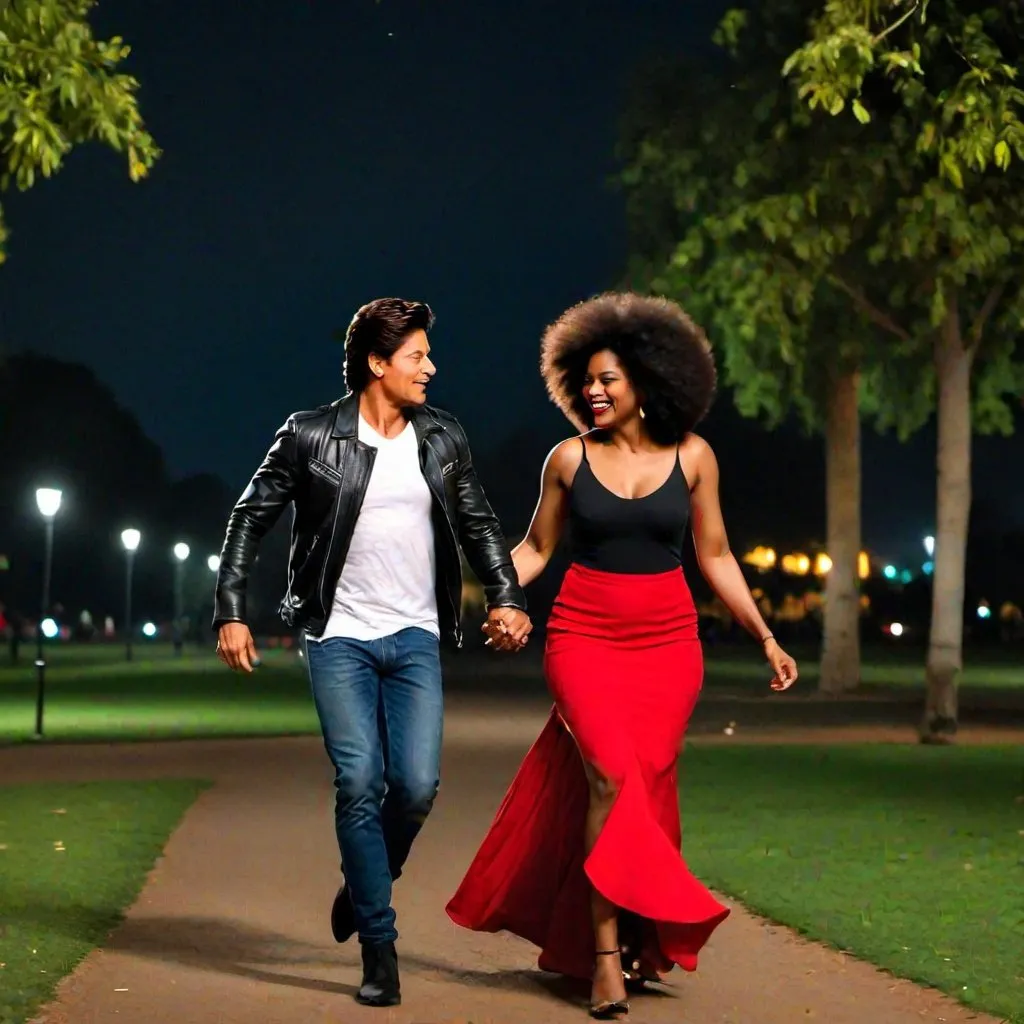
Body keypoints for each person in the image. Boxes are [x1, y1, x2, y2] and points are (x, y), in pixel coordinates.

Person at [446, 293, 798, 1019]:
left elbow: (717, 554)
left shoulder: (694, 457)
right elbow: (539, 547)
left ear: (648, 379)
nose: (593, 392)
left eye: (607, 379)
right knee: (608, 774)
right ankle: (603, 954)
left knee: (650, 785)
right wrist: (500, 596)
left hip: (670, 644)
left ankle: (639, 933)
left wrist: (765, 635)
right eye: (586, 381)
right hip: (583, 636)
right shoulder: (568, 458)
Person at [213, 297, 532, 1009]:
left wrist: (506, 595)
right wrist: (230, 609)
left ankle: (361, 888)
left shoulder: (443, 437)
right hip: (339, 637)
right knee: (360, 781)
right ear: (378, 362)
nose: (431, 367)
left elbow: (478, 522)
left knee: (415, 787)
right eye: (418, 356)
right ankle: (379, 948)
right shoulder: (309, 436)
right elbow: (248, 518)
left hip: (415, 635)